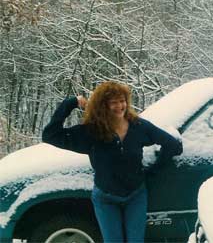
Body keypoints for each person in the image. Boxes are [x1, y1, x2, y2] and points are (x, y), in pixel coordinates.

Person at [42, 81, 183, 243]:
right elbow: (50, 135)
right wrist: (70, 103)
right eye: (113, 102)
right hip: (106, 199)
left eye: (122, 101)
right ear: (102, 105)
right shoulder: (91, 132)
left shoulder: (138, 126)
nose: (119, 106)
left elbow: (172, 145)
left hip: (135, 196)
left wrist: (153, 170)